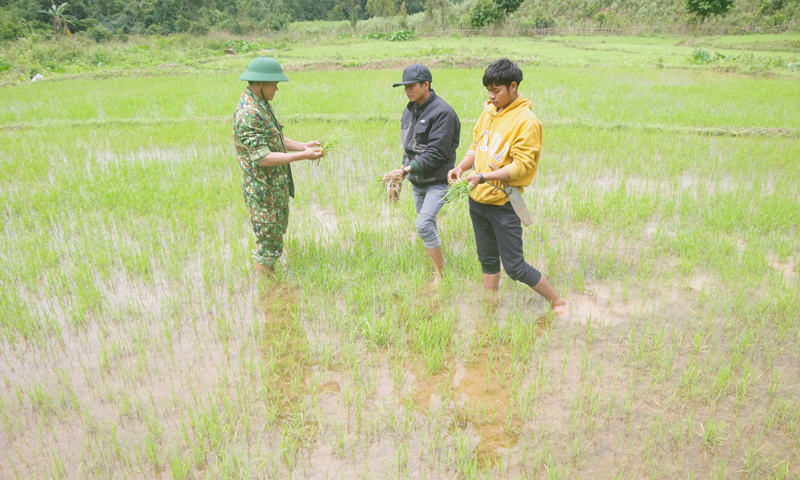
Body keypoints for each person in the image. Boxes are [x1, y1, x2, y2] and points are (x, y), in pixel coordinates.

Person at [447, 59, 567, 314]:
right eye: (488, 90)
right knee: (487, 259)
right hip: (477, 200)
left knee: (515, 266)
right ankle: (490, 308)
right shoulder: (489, 111)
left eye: (496, 90)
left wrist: (484, 178)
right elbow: (475, 146)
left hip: (503, 203)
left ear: (513, 87)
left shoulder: (527, 121)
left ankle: (558, 302)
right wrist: (463, 167)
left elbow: (522, 166)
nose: (491, 96)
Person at [233, 56, 324, 275]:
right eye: (273, 83)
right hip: (263, 191)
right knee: (267, 244)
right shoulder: (249, 114)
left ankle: (269, 284)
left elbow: (276, 140)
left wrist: (303, 146)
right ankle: (269, 291)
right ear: (258, 84)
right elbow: (262, 157)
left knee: (272, 237)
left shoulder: (261, 105)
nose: (276, 88)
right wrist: (303, 157)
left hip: (274, 189)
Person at [388, 64, 461, 287]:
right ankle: (435, 263)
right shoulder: (410, 109)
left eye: (411, 86)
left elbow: (436, 154)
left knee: (423, 224)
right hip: (417, 182)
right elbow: (409, 149)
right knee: (426, 225)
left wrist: (405, 170)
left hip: (438, 181)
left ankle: (440, 275)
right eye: (404, 86)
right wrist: (400, 176)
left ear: (426, 85)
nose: (407, 90)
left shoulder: (443, 113)